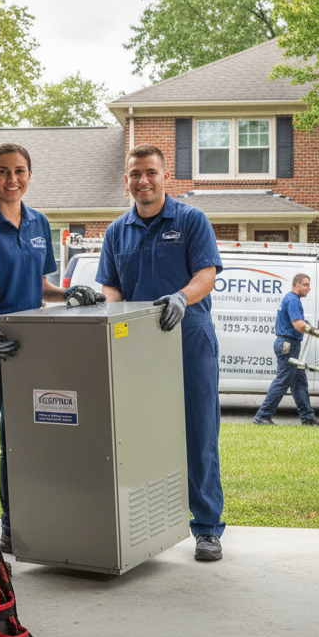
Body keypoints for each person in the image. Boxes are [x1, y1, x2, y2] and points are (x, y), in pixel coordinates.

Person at [0, 142, 101, 554]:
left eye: (19, 171)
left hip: (25, 346)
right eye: (3, 171)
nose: (12, 179)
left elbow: (41, 287)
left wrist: (71, 294)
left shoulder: (39, 223)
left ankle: (11, 526)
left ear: (29, 176)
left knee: (16, 444)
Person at [96, 144, 226, 563]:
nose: (143, 181)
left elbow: (206, 274)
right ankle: (142, 526)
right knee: (138, 437)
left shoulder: (191, 220)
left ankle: (206, 528)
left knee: (199, 435)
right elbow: (111, 287)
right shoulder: (117, 231)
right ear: (127, 181)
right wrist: (115, 313)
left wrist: (182, 299)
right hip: (137, 348)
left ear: (165, 176)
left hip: (189, 340)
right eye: (135, 174)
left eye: (150, 172)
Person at [253, 273, 319, 427]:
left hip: (288, 344)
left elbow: (301, 321)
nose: (309, 288)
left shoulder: (291, 299)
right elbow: (299, 325)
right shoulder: (293, 300)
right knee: (282, 381)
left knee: (299, 382)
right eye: (305, 285)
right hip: (288, 345)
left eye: (309, 285)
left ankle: (308, 418)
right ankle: (262, 416)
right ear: (296, 285)